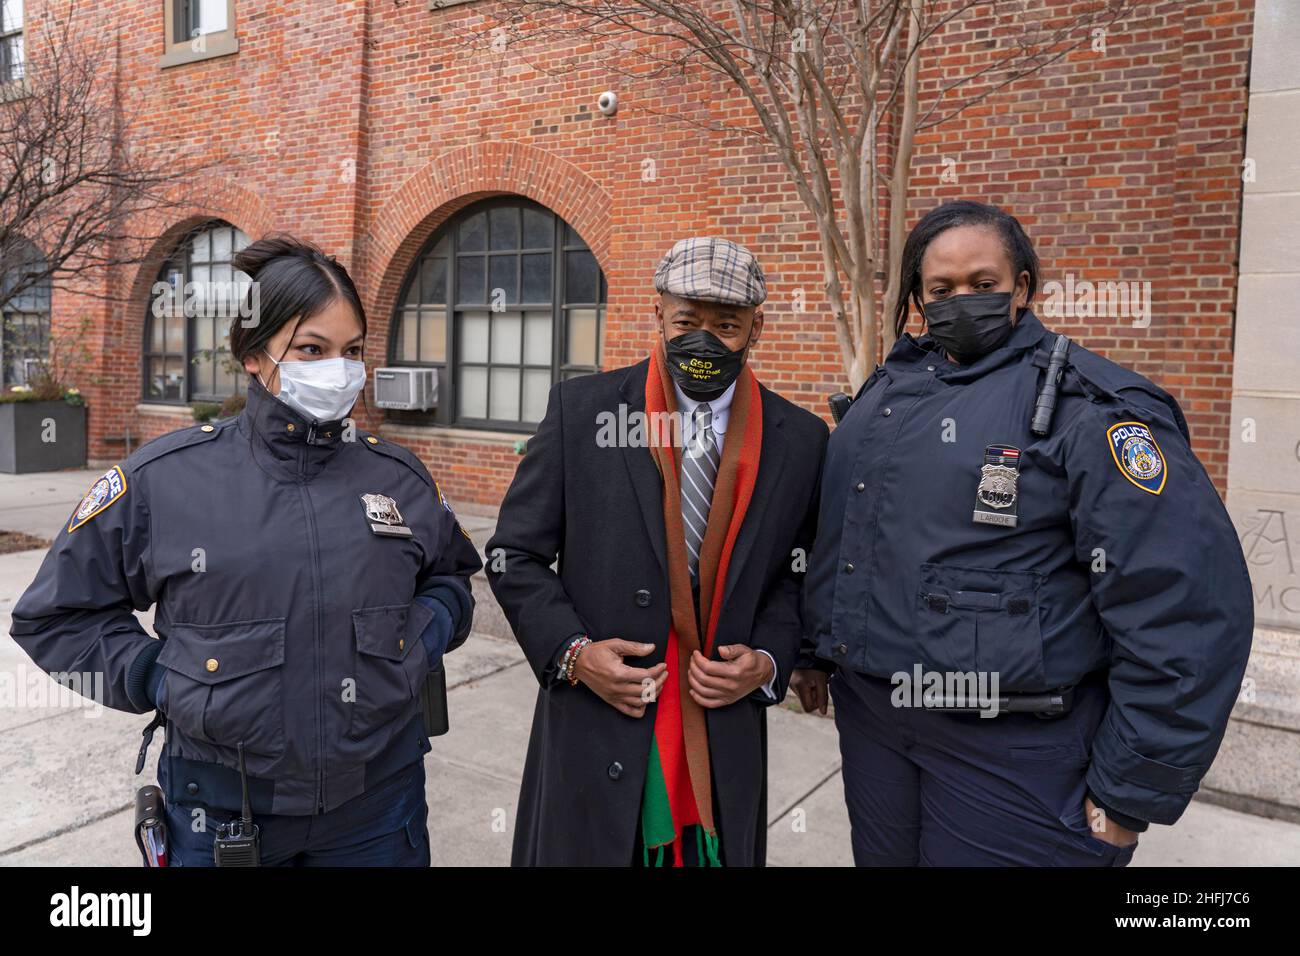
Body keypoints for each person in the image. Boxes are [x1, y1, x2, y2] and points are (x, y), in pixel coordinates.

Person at [795, 201, 1253, 867]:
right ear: (918, 299)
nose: (961, 302)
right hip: (877, 730)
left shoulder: (1089, 408)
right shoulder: (886, 396)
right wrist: (815, 650)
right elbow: (845, 535)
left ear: (1024, 288)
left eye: (983, 285)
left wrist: (1130, 792)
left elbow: (1185, 605)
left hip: (1016, 750)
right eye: (941, 290)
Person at [9, 233, 482, 866]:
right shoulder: (164, 479)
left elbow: (452, 578)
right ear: (254, 354)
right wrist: (153, 675)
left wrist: (421, 638)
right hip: (222, 820)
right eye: (312, 348)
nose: (338, 370)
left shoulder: (398, 477)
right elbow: (55, 616)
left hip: (379, 810)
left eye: (352, 351)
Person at [487, 237, 828, 866]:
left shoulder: (802, 439)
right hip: (597, 716)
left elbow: (796, 574)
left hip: (720, 725)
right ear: (657, 316)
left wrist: (770, 662)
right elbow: (514, 555)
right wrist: (573, 653)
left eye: (726, 325)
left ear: (758, 327)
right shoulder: (582, 410)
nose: (704, 340)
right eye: (686, 322)